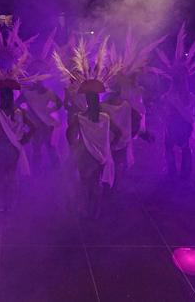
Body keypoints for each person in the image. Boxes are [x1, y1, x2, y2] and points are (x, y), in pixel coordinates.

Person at [55, 39, 121, 218]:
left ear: (87, 99)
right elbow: (119, 132)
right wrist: (110, 146)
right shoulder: (105, 117)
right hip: (101, 156)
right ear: (97, 100)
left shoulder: (80, 117)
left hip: (85, 154)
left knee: (85, 182)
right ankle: (95, 211)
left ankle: (87, 209)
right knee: (96, 182)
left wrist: (74, 145)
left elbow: (69, 133)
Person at [154, 23, 195, 178]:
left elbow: (164, 106)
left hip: (174, 123)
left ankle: (172, 171)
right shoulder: (189, 95)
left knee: (169, 146)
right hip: (185, 124)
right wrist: (192, 118)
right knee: (185, 147)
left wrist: (164, 113)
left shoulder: (171, 94)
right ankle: (185, 173)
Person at [0, 81, 35, 212]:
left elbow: (33, 127)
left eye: (8, 95)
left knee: (11, 173)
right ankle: (0, 202)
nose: (6, 98)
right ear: (1, 97)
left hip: (13, 147)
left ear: (11, 96)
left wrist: (25, 138)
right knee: (1, 174)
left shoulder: (20, 112)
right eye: (4, 96)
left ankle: (10, 202)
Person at [101, 82, 142, 186]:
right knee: (119, 164)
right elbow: (138, 117)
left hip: (109, 143)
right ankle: (118, 185)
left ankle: (111, 187)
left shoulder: (103, 107)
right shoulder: (126, 105)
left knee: (108, 166)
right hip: (123, 142)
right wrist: (131, 134)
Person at [17, 80, 62, 168]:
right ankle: (47, 169)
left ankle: (49, 169)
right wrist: (50, 110)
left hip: (43, 124)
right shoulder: (28, 94)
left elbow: (59, 103)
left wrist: (50, 110)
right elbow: (16, 104)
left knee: (44, 147)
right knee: (42, 147)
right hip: (38, 125)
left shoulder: (45, 92)